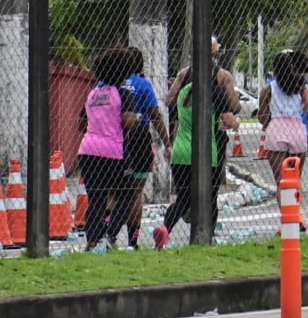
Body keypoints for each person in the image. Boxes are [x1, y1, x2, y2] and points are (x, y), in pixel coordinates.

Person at [154, 51, 241, 249]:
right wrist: (235, 123)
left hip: (181, 150)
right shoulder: (214, 90)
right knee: (210, 195)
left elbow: (169, 102)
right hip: (206, 152)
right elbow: (230, 114)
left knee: (184, 197)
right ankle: (207, 235)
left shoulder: (183, 92)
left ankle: (166, 228)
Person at [76, 47, 140, 251]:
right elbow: (128, 122)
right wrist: (138, 118)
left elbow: (80, 124)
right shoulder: (123, 93)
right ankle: (110, 235)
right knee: (127, 193)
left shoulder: (93, 94)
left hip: (87, 150)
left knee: (96, 198)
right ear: (124, 70)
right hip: (112, 151)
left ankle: (92, 241)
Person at [118, 47, 169, 249]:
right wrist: (167, 141)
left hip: (116, 140)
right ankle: (133, 240)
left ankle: (105, 235)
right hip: (138, 138)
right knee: (136, 192)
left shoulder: (111, 82)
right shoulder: (143, 85)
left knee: (111, 191)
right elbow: (155, 115)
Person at [258, 49, 308, 221]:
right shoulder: (302, 86)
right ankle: (297, 217)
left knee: (281, 182)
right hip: (297, 130)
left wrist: (270, 122)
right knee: (295, 179)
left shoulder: (269, 89)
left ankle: (286, 220)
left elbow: (262, 116)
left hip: (276, 129)